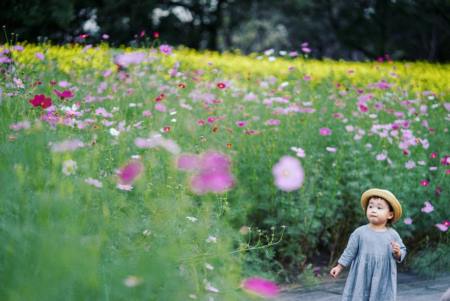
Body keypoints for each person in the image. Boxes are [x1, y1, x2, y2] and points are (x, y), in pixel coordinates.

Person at [330, 188, 407, 301]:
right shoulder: (360, 233)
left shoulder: (392, 235)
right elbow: (350, 251)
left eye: (379, 208)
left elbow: (402, 250)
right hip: (362, 274)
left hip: (382, 276)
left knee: (381, 296)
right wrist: (339, 266)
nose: (373, 210)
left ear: (390, 215)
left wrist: (398, 252)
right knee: (360, 295)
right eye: (370, 206)